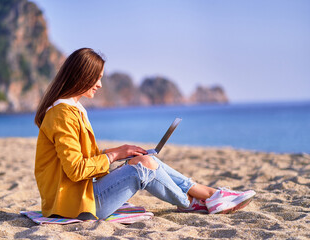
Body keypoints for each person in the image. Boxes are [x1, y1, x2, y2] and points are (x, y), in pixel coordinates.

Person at [34, 48, 256, 220]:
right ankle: (197, 201)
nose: (100, 85)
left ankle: (209, 195)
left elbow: (83, 159)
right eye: (97, 78)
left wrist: (120, 152)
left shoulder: (72, 111)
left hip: (80, 197)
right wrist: (113, 156)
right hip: (74, 205)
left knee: (146, 159)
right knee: (144, 167)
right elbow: (75, 170)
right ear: (82, 76)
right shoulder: (62, 114)